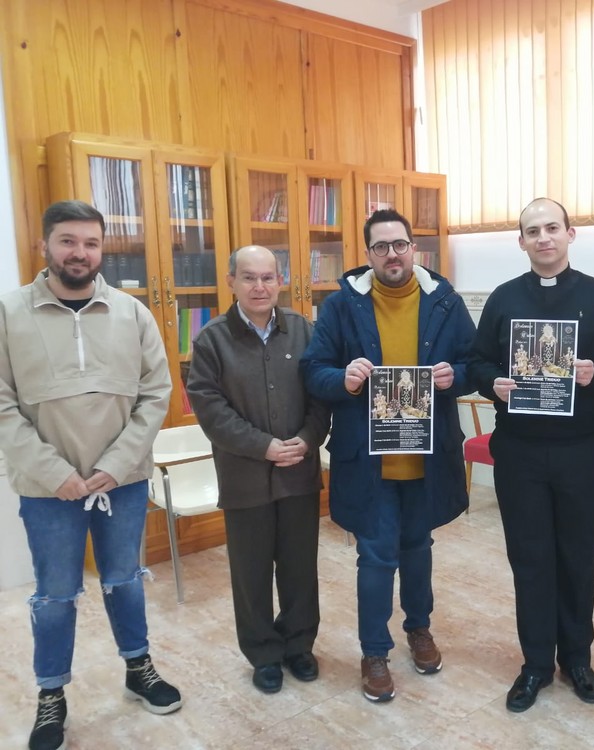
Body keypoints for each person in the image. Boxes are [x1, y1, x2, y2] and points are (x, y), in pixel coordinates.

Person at [0, 200, 182, 750]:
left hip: (120, 483)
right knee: (55, 595)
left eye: (90, 243)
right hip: (48, 489)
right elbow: (2, 405)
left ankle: (138, 666)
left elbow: (157, 394)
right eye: (67, 241)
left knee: (124, 580)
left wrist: (115, 464)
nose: (79, 253)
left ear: (102, 249)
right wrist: (53, 472)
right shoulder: (10, 313)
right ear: (45, 245)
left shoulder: (132, 313)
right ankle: (51, 693)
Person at [300, 208, 475, 702]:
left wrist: (455, 377)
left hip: (426, 456)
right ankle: (374, 652)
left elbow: (474, 363)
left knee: (418, 549)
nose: (392, 254)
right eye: (381, 247)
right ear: (368, 254)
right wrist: (345, 379)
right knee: (376, 556)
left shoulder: (445, 301)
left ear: (413, 248)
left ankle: (419, 629)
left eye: (400, 244)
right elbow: (313, 370)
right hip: (368, 459)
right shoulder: (341, 306)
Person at [468, 197, 594, 712]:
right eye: (533, 231)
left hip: (584, 450)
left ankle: (577, 659)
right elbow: (477, 362)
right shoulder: (503, 298)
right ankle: (536, 663)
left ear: (570, 234)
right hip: (520, 452)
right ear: (521, 241)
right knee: (530, 558)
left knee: (578, 558)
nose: (544, 238)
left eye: (552, 228)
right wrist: (493, 383)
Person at [186, 245, 330, 695]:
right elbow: (210, 410)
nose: (259, 286)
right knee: (250, 573)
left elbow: (321, 396)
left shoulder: (303, 331)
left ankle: (299, 645)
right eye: (249, 277)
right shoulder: (211, 340)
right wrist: (263, 447)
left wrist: (308, 439)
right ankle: (264, 653)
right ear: (231, 281)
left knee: (300, 568)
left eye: (268, 277)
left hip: (298, 473)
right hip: (244, 479)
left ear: (280, 282)